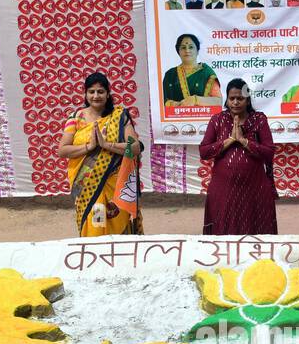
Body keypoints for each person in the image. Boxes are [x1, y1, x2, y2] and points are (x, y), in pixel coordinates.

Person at [57, 72, 145, 237]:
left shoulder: (119, 116)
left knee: (118, 225)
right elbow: (62, 151)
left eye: (100, 91)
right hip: (89, 187)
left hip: (116, 186)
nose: (96, 96)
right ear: (85, 94)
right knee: (97, 225)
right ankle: (98, 258)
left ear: (108, 93)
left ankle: (120, 258)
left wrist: (106, 145)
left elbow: (135, 148)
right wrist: (89, 146)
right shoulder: (76, 118)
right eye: (91, 91)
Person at [198, 79, 277, 236]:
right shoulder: (217, 120)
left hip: (254, 189)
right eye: (231, 98)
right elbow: (204, 151)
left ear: (247, 100)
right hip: (223, 189)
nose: (235, 102)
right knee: (222, 230)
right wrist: (229, 141)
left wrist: (244, 141)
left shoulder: (259, 119)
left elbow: (269, 152)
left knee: (256, 230)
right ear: (226, 100)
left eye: (240, 98)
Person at [162, 34, 222, 108]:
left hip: (203, 118)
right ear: (178, 51)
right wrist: (176, 105)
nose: (187, 50)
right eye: (183, 47)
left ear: (197, 51)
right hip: (176, 117)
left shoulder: (206, 72)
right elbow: (163, 101)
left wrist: (195, 100)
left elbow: (218, 102)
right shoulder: (170, 74)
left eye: (191, 47)